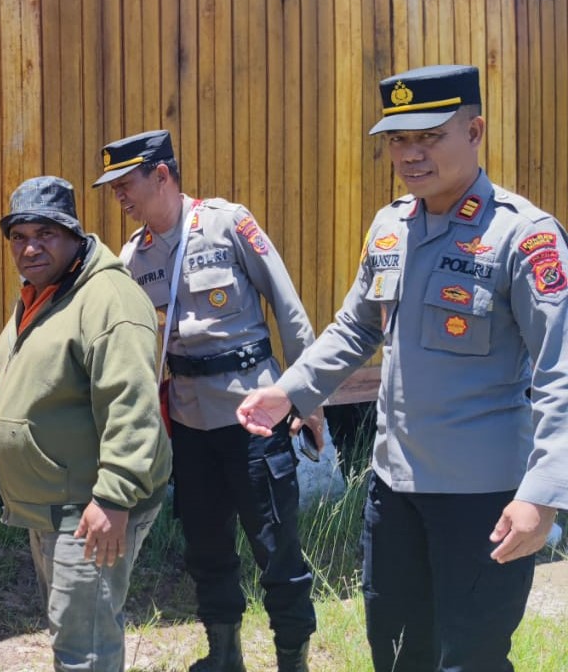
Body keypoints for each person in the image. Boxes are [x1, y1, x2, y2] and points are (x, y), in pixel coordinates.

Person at [237, 64, 568, 671]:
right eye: (397, 139)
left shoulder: (523, 237)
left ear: (475, 131)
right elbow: (356, 326)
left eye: (430, 137)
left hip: (483, 498)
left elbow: (559, 371)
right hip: (393, 490)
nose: (411, 154)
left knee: (470, 659)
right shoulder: (390, 226)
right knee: (394, 652)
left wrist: (542, 495)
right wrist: (290, 392)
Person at [92, 130, 319, 671]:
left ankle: (293, 658)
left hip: (253, 415)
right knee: (206, 548)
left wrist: (307, 397)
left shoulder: (227, 223)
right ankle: (224, 654)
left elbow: (287, 307)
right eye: (113, 188)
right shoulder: (132, 256)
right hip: (190, 424)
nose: (119, 196)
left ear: (161, 175)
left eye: (126, 184)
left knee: (277, 550)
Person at [0, 176, 171, 672]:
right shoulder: (41, 293)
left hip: (91, 505)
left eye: (45, 234)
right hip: (52, 503)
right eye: (19, 237)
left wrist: (114, 499)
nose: (30, 248)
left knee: (84, 648)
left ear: (73, 235)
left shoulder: (109, 300)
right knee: (71, 630)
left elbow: (132, 405)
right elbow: (31, 377)